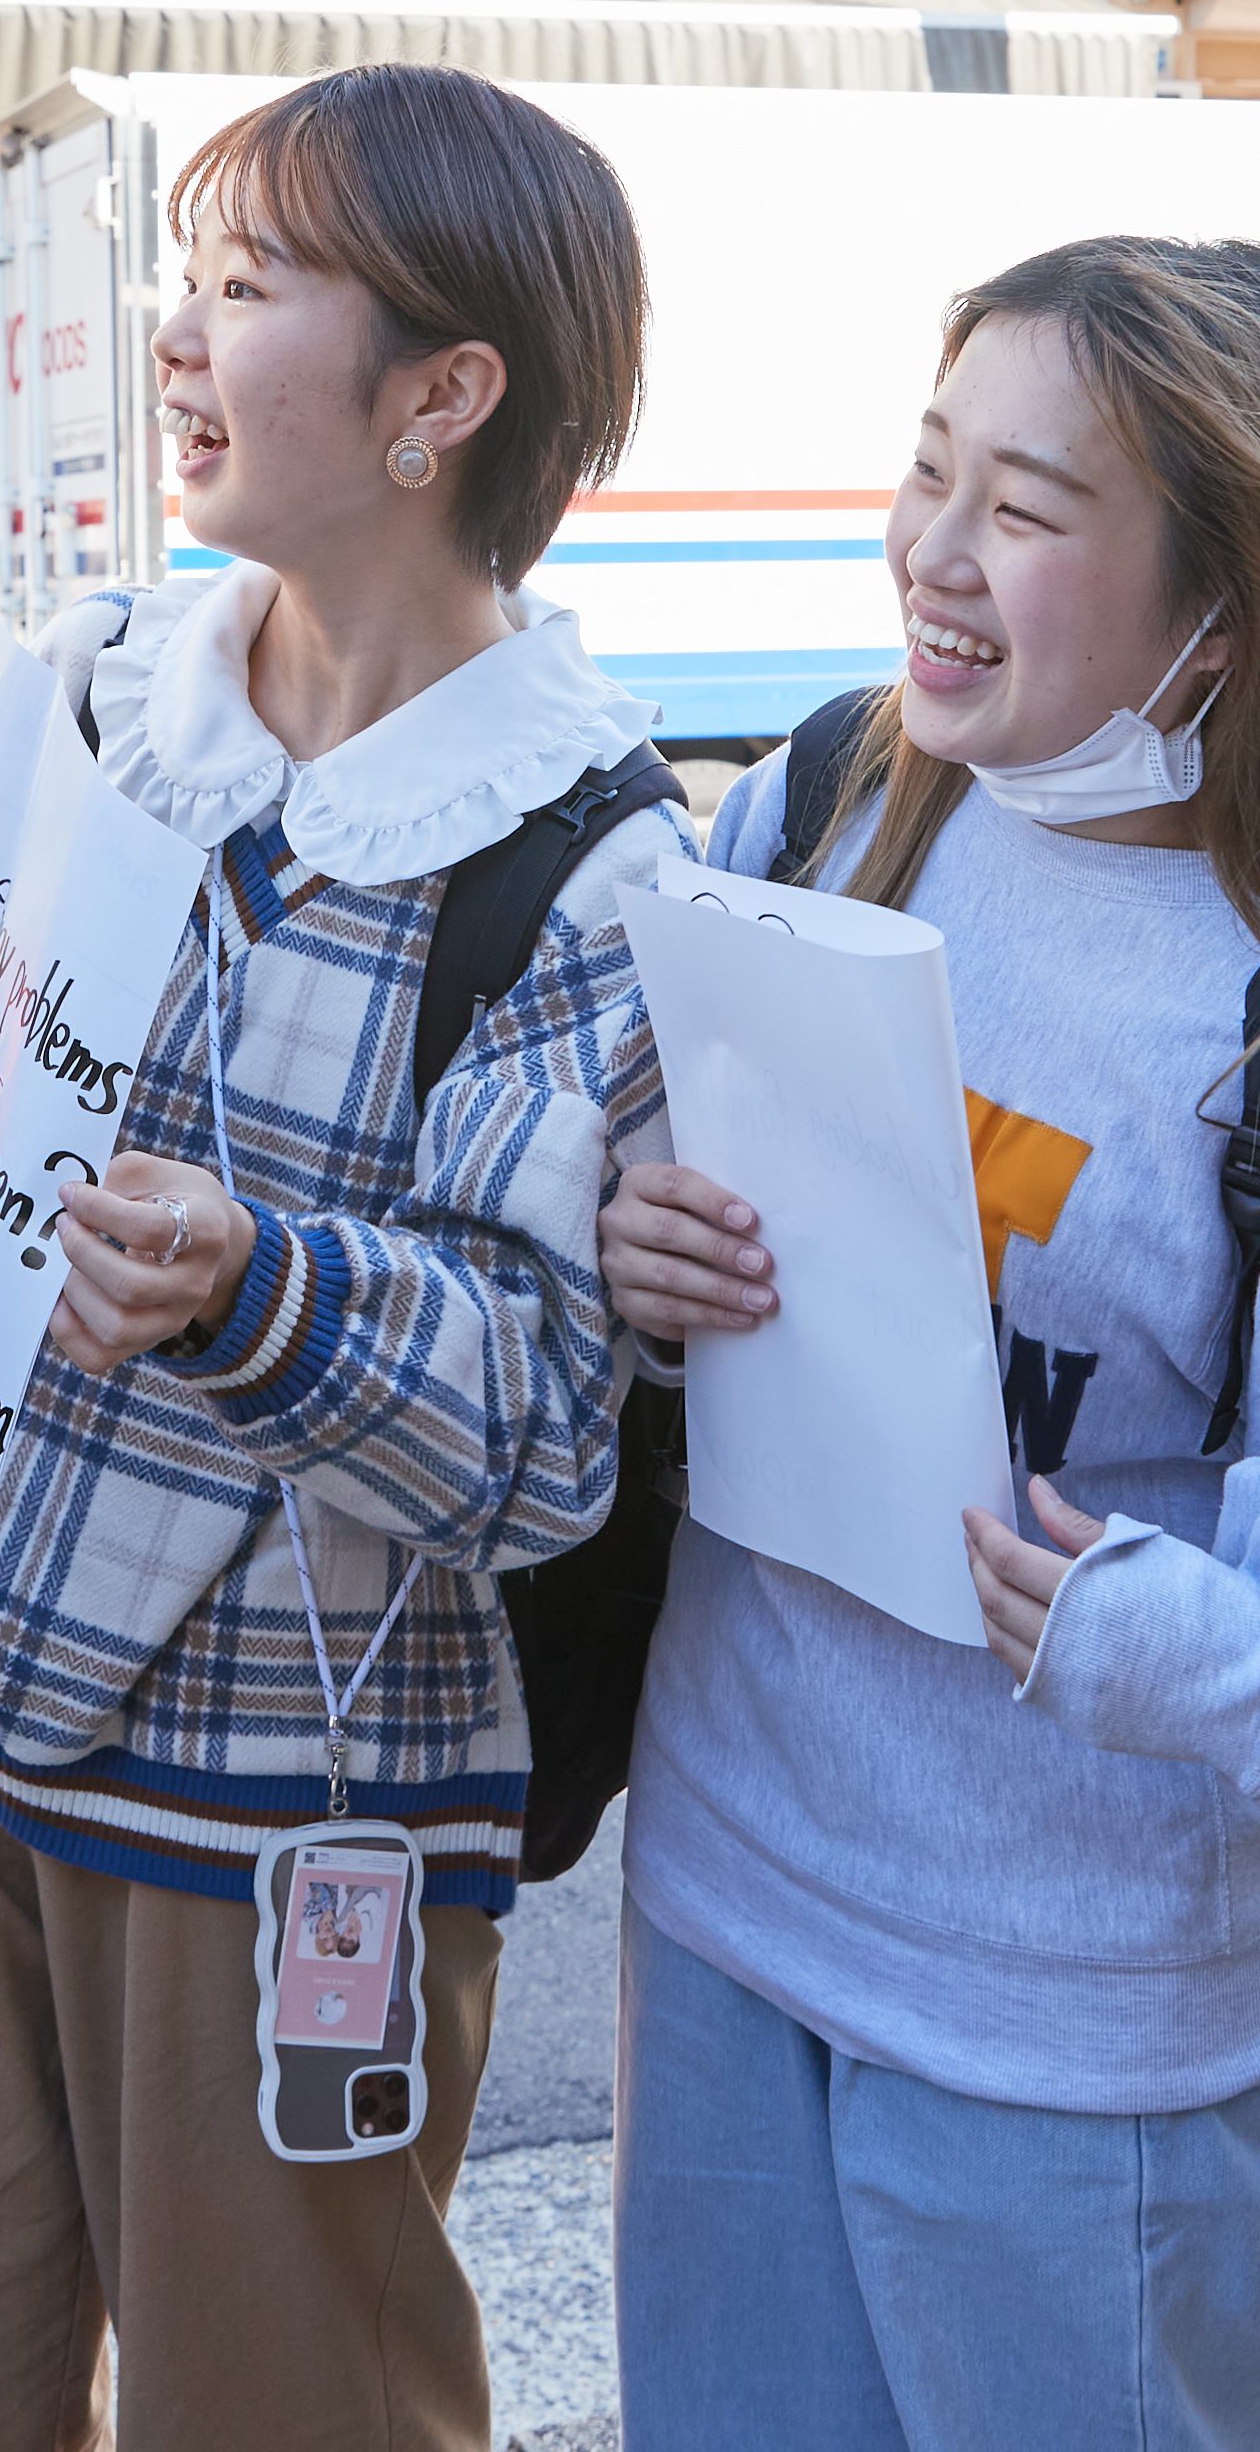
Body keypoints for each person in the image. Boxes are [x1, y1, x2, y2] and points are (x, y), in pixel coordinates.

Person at [0, 63, 676, 2452]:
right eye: (189, 284)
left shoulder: (587, 867)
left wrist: (257, 1285)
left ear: (441, 398)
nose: (176, 341)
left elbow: (547, 1426)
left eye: (246, 292)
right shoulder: (86, 687)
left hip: (278, 1820)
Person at [598, 234, 1260, 2452]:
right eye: (925, 468)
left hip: (1079, 2039)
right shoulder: (832, 793)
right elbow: (583, 1138)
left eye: (1032, 509)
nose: (934, 557)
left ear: (1220, 592)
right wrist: (621, 1236)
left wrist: (1160, 1641)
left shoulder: (1239, 1002)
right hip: (723, 1899)